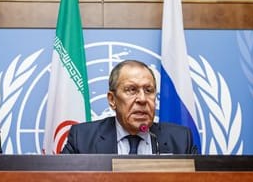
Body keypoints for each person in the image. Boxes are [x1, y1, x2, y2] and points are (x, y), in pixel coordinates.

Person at [61, 59, 198, 154]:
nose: (142, 99)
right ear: (112, 99)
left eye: (148, 90)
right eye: (131, 90)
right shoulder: (83, 138)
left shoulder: (180, 139)